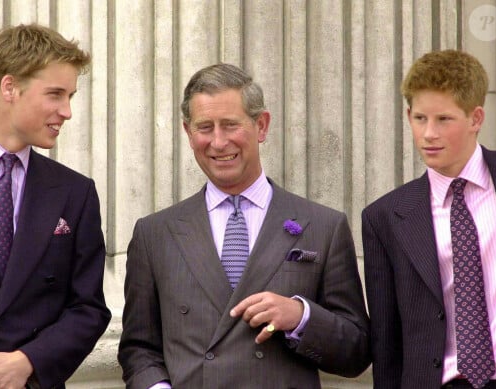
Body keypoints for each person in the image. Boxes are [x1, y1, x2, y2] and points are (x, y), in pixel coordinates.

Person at [118, 63, 370, 388]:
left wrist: (301, 316)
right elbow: (139, 349)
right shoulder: (155, 234)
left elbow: (358, 351)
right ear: (188, 131)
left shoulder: (324, 226)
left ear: (261, 125)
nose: (219, 142)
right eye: (205, 127)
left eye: (230, 125)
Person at [0, 24, 111, 389]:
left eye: (70, 96)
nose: (67, 111)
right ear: (9, 87)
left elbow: (88, 307)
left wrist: (27, 362)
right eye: (55, 94)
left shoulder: (76, 192)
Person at [362, 49, 496, 389]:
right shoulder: (384, 217)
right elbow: (386, 341)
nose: (428, 133)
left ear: (476, 119)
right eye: (419, 118)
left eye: (443, 119)